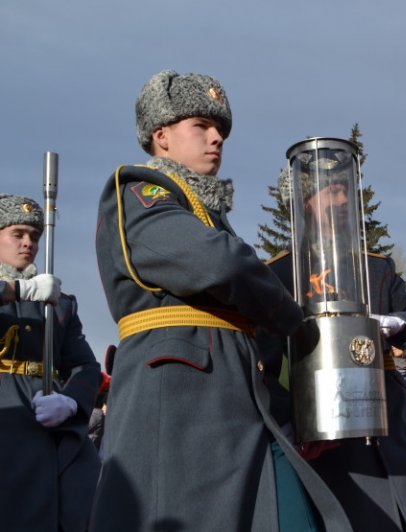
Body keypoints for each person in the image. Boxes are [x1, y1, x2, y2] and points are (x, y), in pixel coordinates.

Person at [92, 70, 348, 531]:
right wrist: (295, 320)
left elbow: (245, 318)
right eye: (201, 127)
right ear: (161, 136)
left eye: (222, 130)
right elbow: (219, 263)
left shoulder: (205, 212)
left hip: (242, 403)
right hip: (182, 403)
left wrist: (297, 411)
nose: (217, 139)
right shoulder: (139, 191)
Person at [265, 157, 406, 532]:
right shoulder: (278, 274)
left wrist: (395, 324)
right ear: (306, 203)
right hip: (331, 443)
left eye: (346, 189)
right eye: (332, 191)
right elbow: (265, 366)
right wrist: (295, 423)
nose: (344, 199)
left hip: (396, 427)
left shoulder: (376, 267)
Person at [0, 194, 101, 531]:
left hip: (45, 417)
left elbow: (85, 366)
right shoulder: (16, 291)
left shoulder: (59, 303)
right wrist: (17, 290)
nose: (28, 243)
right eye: (17, 234)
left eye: (34, 236)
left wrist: (71, 401)